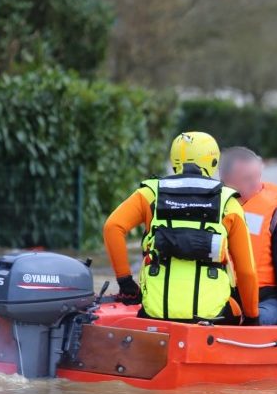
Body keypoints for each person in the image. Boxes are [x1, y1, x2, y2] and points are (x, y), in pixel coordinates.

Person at [103, 132, 260, 324]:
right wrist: (252, 318)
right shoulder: (228, 201)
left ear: (174, 160)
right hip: (213, 316)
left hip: (155, 314)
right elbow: (247, 272)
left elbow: (112, 227)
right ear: (213, 162)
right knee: (236, 307)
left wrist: (125, 282)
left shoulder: (150, 193)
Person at [219, 147, 277, 327]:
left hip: (264, 301)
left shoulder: (276, 210)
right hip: (218, 298)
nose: (256, 184)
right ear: (226, 180)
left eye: (257, 176)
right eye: (247, 179)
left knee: (255, 323)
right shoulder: (211, 205)